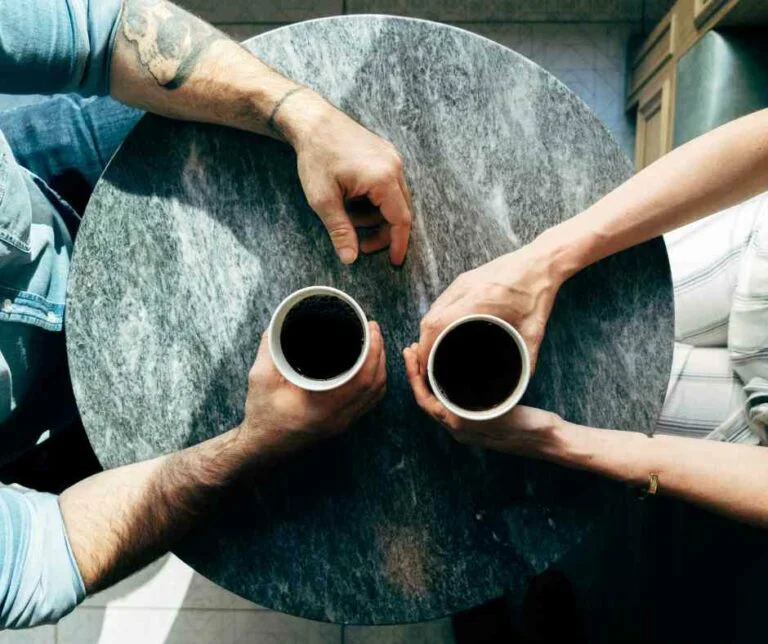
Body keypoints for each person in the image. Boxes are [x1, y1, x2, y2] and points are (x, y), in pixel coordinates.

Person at [0, 0, 412, 630]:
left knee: (344, 138)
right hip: (49, 418)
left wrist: (299, 115)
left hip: (56, 174)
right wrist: (251, 447)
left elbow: (100, 32)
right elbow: (38, 558)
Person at [406, 108, 768, 528]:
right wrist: (543, 263)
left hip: (754, 441)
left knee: (588, 402)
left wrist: (562, 442)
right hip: (756, 256)